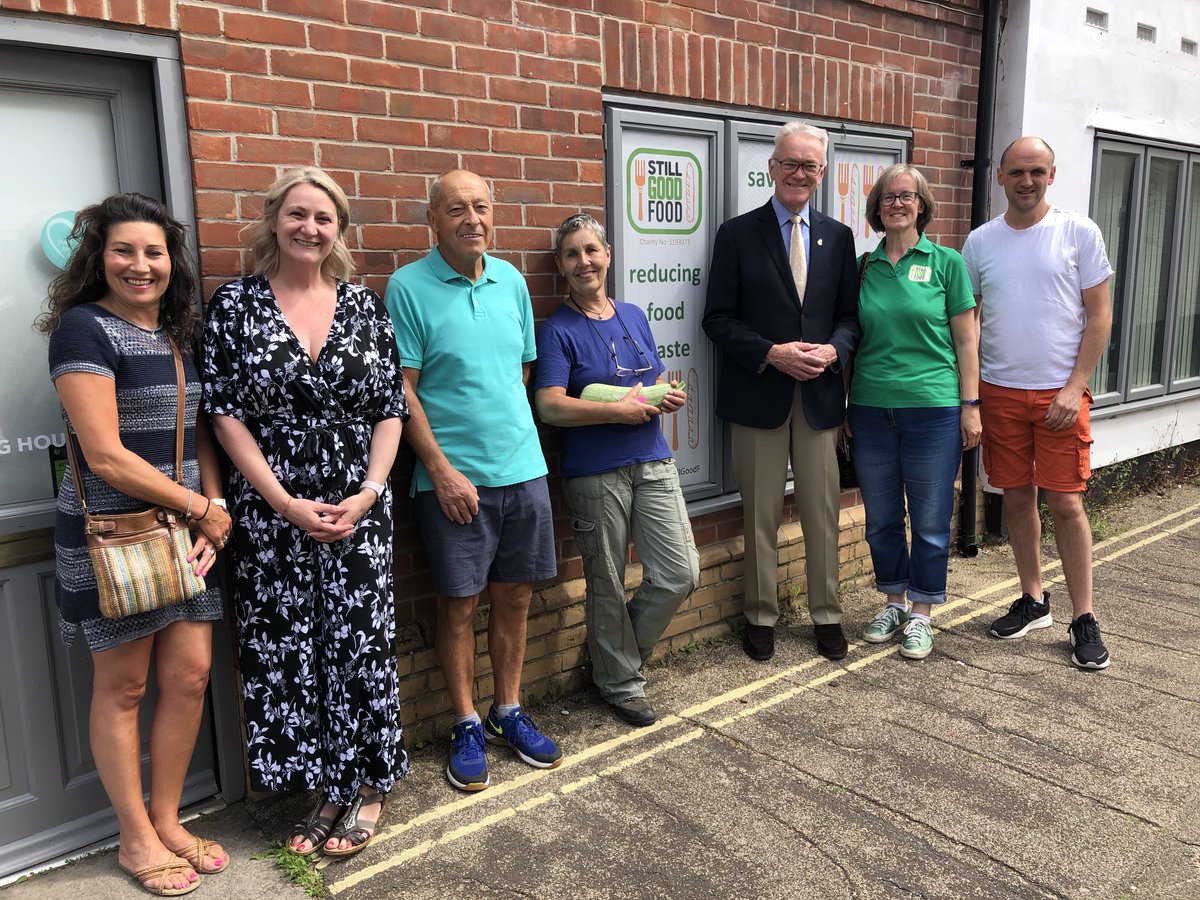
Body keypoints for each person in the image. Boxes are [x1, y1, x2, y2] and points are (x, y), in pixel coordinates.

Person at [203, 168, 408, 857]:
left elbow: (390, 409)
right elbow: (224, 415)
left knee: (360, 645)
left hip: (357, 509)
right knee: (289, 648)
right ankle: (324, 786)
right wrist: (285, 503)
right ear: (273, 221)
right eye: (297, 214)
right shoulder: (234, 306)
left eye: (324, 218)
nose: (310, 228)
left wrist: (372, 491)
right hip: (272, 512)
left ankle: (371, 783)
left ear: (339, 230)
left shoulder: (365, 307)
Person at [39, 193, 233, 896]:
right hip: (113, 537)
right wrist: (200, 508)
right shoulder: (84, 330)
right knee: (124, 687)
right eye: (124, 250)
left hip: (187, 531)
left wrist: (212, 509)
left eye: (153, 252)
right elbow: (106, 456)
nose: (140, 265)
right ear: (99, 257)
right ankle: (133, 837)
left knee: (188, 678)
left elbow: (202, 434)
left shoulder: (180, 333)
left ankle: (167, 819)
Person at [385, 169, 562, 792]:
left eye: (481, 207)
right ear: (432, 219)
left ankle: (506, 710)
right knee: (458, 604)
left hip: (524, 471)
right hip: (454, 482)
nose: (472, 219)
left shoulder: (511, 280)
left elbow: (518, 373)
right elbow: (402, 391)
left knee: (515, 597)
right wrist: (441, 469)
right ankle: (464, 721)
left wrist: (512, 450)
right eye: (456, 208)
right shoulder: (406, 288)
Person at [702, 120, 861, 662]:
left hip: (818, 397)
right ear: (770, 168)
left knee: (822, 513)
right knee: (759, 515)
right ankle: (761, 615)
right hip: (759, 394)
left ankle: (827, 616)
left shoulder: (838, 238)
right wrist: (772, 353)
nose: (799, 173)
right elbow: (717, 319)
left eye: (809, 165)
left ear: (821, 173)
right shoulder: (737, 234)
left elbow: (849, 318)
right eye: (789, 163)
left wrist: (834, 350)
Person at [534, 213, 700, 727]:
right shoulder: (557, 330)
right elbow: (550, 407)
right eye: (571, 255)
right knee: (606, 580)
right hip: (594, 472)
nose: (584, 261)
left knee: (681, 573)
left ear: (607, 255)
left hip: (652, 458)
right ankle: (621, 683)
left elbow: (646, 382)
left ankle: (615, 656)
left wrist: (664, 396)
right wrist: (614, 410)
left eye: (591, 250)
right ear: (562, 267)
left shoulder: (633, 314)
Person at [962, 136, 1115, 670]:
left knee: (1067, 502)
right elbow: (969, 321)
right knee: (1018, 498)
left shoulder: (1079, 232)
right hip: (1000, 392)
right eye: (1017, 172)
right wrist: (973, 398)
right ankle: (1033, 600)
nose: (1026, 181)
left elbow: (1099, 316)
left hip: (1060, 394)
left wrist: (1075, 387)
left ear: (1052, 174)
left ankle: (1084, 617)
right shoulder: (980, 242)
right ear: (1000, 176)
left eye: (1037, 171)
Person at [847, 165, 981, 660]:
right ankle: (893, 600)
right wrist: (844, 404)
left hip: (934, 408)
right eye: (887, 197)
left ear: (922, 204)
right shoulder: (863, 266)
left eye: (906, 196)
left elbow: (967, 341)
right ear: (877, 208)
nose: (897, 203)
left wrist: (971, 406)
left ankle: (923, 612)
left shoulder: (947, 263)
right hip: (869, 408)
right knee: (881, 518)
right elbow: (853, 342)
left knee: (928, 518)